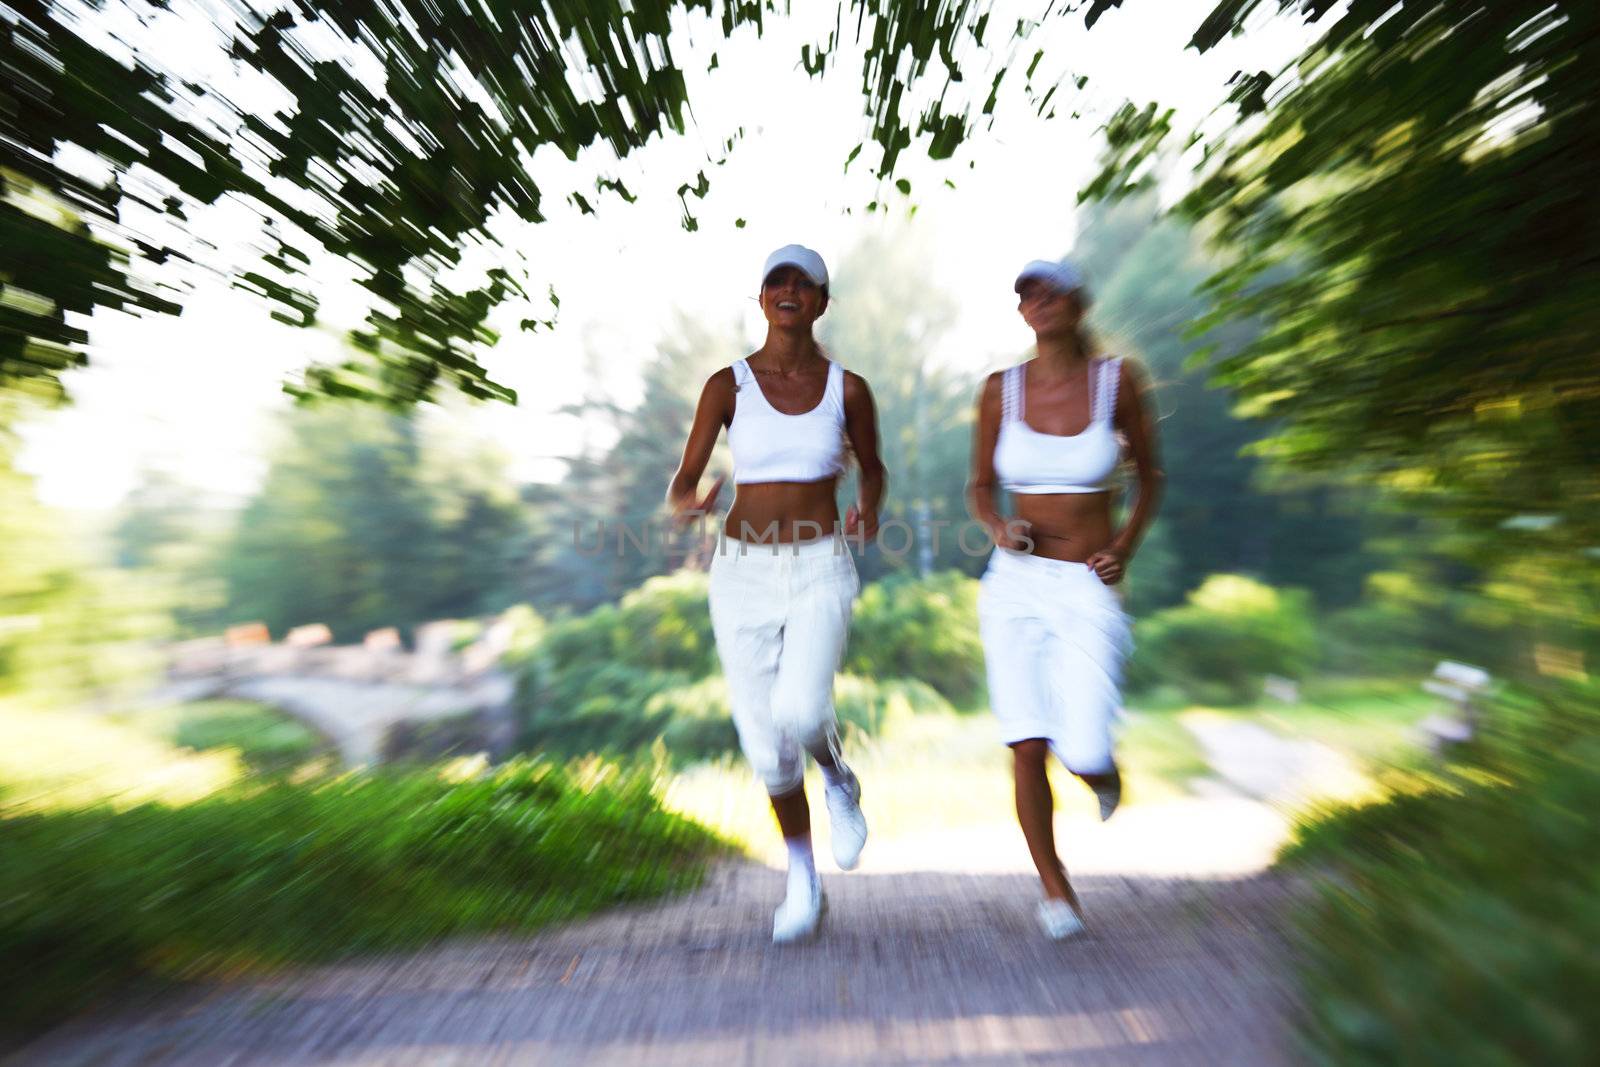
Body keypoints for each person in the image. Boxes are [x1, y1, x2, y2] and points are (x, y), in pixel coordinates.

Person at [667, 244, 886, 943]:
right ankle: (802, 876)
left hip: (819, 563)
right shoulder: (726, 386)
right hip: (741, 573)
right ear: (762, 299)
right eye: (776, 281)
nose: (788, 290)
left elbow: (872, 468)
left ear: (821, 302)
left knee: (799, 707)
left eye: (804, 283)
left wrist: (869, 510)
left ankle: (839, 778)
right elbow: (684, 479)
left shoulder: (847, 389)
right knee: (766, 746)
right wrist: (686, 501)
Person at [967, 258, 1163, 940]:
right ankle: (1055, 892)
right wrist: (998, 525)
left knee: (1080, 746)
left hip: (1086, 583)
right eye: (1026, 293)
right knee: (1026, 743)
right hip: (1014, 584)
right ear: (1021, 312)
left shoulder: (1118, 381)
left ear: (1079, 302)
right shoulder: (1000, 391)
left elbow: (1152, 475)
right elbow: (977, 488)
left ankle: (1100, 769)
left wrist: (1125, 546)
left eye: (1050, 291)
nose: (1038, 301)